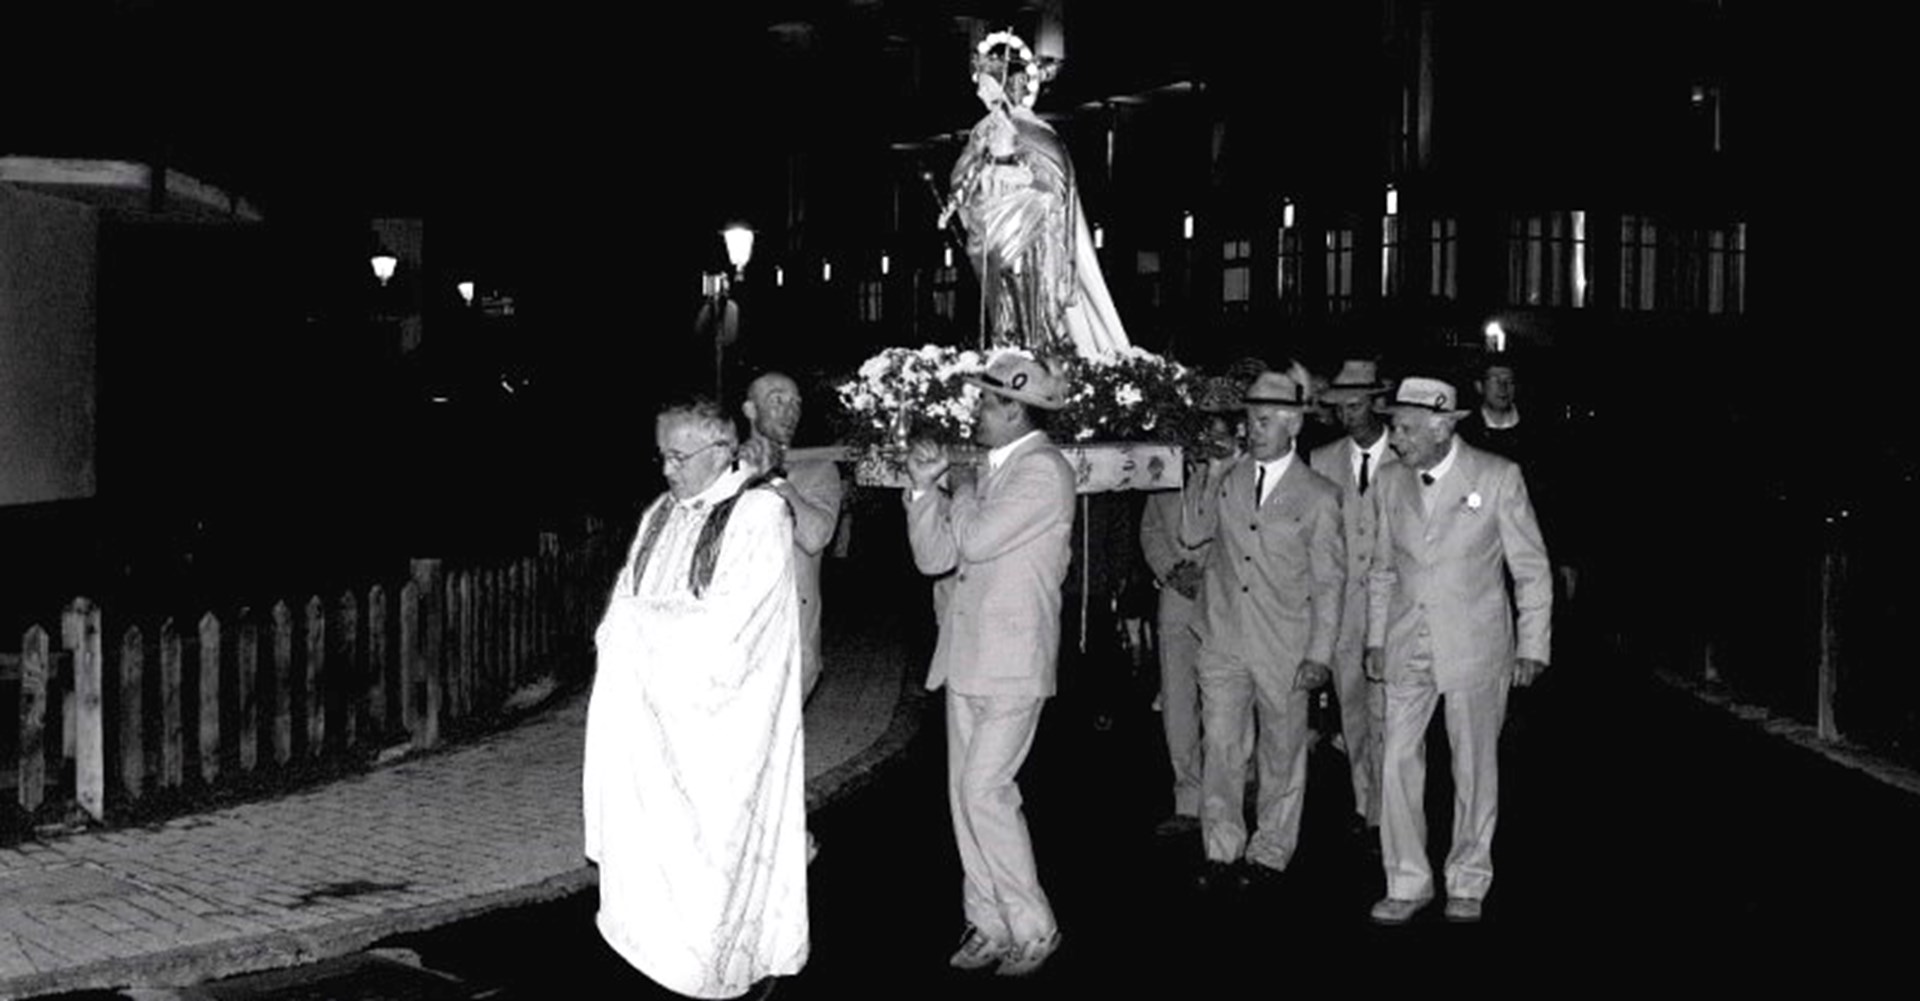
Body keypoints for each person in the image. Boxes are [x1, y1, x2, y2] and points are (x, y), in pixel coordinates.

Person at [582, 400, 807, 998]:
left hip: (722, 730)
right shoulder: (661, 513)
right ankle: (660, 962)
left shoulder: (759, 514)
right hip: (654, 726)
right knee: (654, 856)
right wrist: (628, 633)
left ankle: (727, 969)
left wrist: (636, 629)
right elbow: (624, 604)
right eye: (662, 456)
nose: (667, 470)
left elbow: (735, 628)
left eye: (678, 457)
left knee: (714, 868)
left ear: (721, 452)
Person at [904, 350, 1075, 977]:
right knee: (964, 796)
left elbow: (974, 540)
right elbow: (934, 559)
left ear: (1015, 411)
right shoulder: (988, 473)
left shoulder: (1043, 471)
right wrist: (925, 488)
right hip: (966, 657)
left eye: (986, 400)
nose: (975, 410)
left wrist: (963, 487)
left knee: (986, 792)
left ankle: (1035, 927)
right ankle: (989, 921)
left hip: (1014, 660)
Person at [1365, 376, 1552, 925]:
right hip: (1406, 641)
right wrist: (1375, 638)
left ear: (1442, 427)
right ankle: (1407, 881)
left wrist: (1534, 645)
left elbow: (1531, 568)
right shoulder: (1389, 481)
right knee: (1395, 761)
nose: (1395, 438)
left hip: (1475, 644)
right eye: (1395, 428)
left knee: (1473, 767)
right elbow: (1381, 568)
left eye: (1405, 429)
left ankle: (1468, 879)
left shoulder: (1497, 477)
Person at [1181, 370, 1345, 890]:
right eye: (1251, 419)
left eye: (1267, 420)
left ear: (1293, 424)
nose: (1255, 429)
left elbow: (1329, 582)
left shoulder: (1319, 495)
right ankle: (1221, 848)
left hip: (1286, 643)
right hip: (1224, 636)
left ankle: (1271, 850)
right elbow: (1192, 534)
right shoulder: (1229, 478)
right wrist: (1210, 477)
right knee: (1221, 746)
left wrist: (1320, 653)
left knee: (1281, 751)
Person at [941, 30, 1129, 356]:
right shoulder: (982, 130)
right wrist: (959, 196)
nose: (982, 92)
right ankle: (1006, 344)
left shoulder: (1034, 131)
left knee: (1024, 282)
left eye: (987, 84)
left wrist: (1015, 175)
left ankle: (1035, 347)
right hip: (992, 223)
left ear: (1008, 84)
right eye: (980, 86)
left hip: (1028, 225)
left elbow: (1055, 182)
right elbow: (965, 172)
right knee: (998, 288)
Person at [1137, 375, 1244, 837]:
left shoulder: (1245, 474)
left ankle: (1233, 790)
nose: (1208, 439)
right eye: (1202, 429)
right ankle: (1187, 796)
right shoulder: (1168, 469)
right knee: (1178, 699)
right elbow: (1149, 530)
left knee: (1227, 701)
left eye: (1218, 430)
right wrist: (1170, 570)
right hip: (1177, 596)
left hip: (1226, 599)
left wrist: (1211, 575)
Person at [1307, 359, 1395, 839]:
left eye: (1356, 406)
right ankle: (1366, 801)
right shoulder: (1322, 460)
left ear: (1377, 403)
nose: (1347, 416)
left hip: (1393, 609)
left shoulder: (1406, 455)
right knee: (1355, 711)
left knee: (1388, 712)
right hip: (1341, 610)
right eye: (1340, 408)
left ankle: (1387, 810)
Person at [738, 371, 845, 704]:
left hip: (788, 649)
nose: (790, 411)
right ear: (750, 410)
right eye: (778, 401)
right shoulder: (722, 469)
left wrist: (774, 481)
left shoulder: (818, 471)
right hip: (729, 643)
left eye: (796, 403)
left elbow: (815, 537)